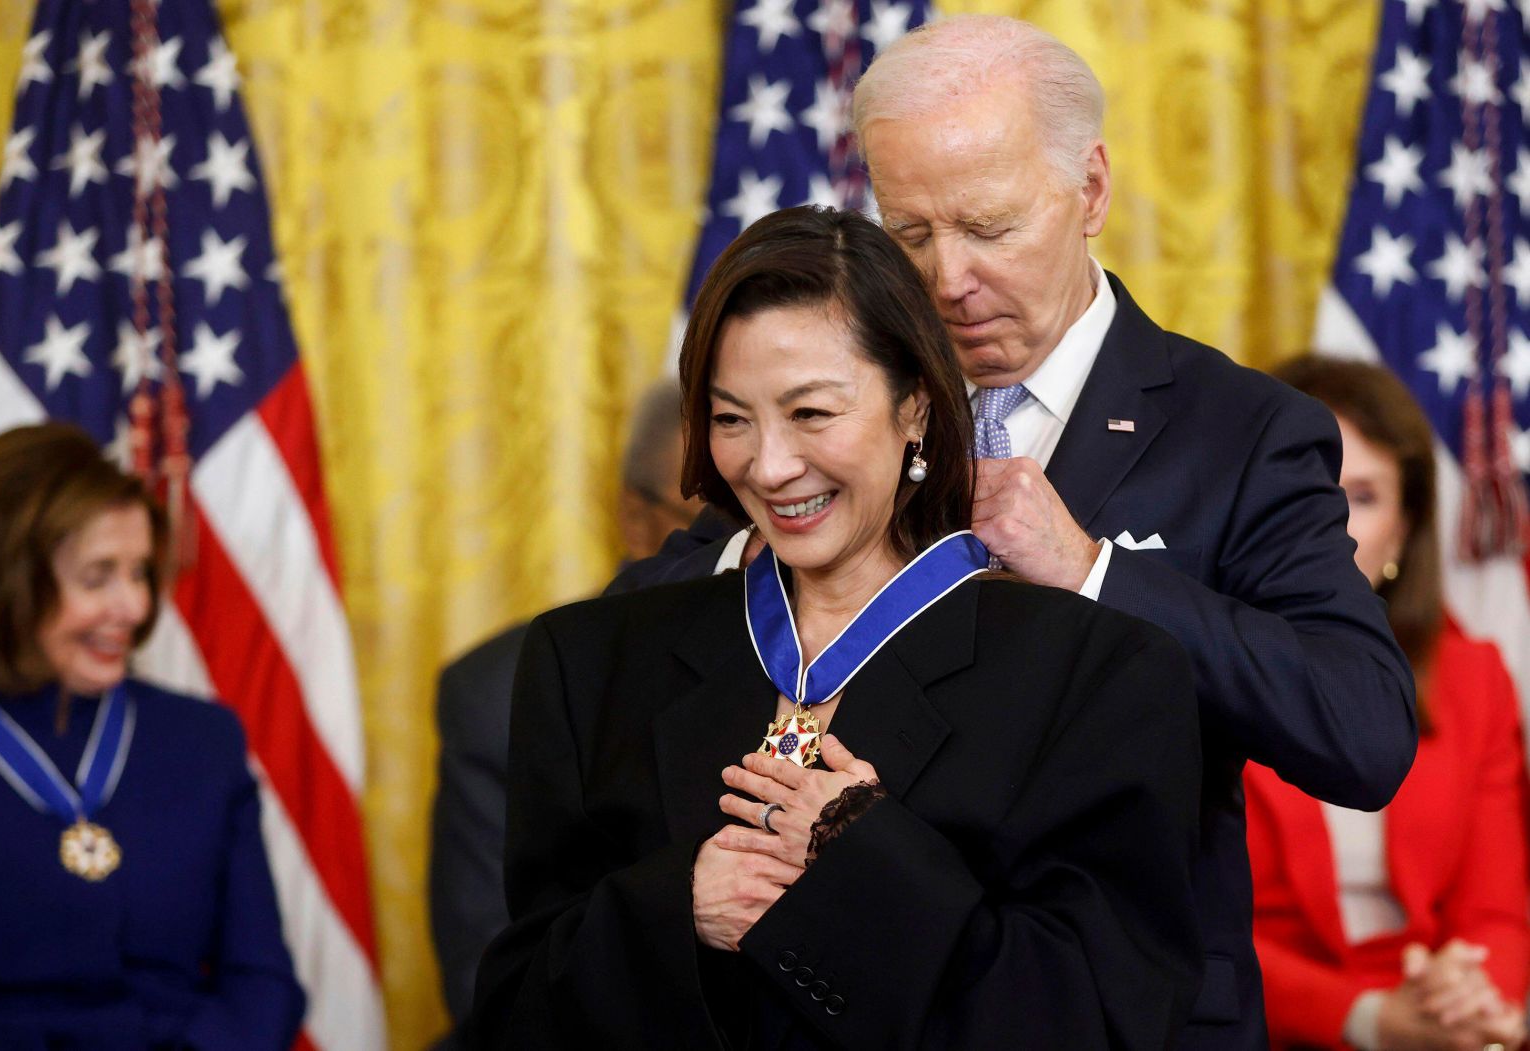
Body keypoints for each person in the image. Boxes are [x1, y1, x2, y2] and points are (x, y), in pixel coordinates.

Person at [620, 16, 1418, 1047]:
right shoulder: (840, 405)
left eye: (988, 228)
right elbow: (651, 622)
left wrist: (1089, 573)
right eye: (909, 234)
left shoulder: (1239, 430)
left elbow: (1362, 729)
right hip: (857, 1000)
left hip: (1120, 1008)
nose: (947, 279)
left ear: (1090, 190)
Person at [467, 206, 1205, 1049]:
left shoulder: (1100, 672)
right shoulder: (587, 661)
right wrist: (682, 907)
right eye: (732, 417)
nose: (769, 464)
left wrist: (860, 856)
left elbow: (1101, 1022)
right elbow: (512, 1012)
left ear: (917, 407)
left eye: (812, 413)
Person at [0, 423, 304, 1049]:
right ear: (6, 578)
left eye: (139, 572)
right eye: (98, 577)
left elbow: (262, 984)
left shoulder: (203, 741)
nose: (135, 607)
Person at [1244, 356, 1529, 1051]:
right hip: (1260, 1025)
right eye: (1308, 489)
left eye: (1364, 496)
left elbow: (1497, 909)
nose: (1331, 523)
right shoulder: (1185, 663)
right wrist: (1368, 1019)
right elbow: (1174, 930)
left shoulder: (1472, 674)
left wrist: (1471, 999)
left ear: (1404, 529)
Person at [428, 379, 702, 1035]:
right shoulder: (500, 694)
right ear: (635, 519)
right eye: (709, 524)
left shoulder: (834, 665)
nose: (749, 547)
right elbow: (488, 980)